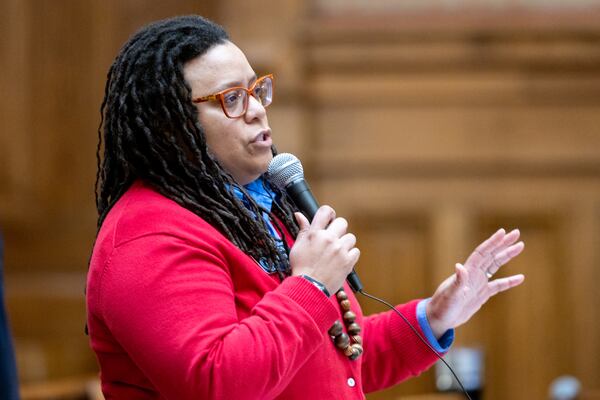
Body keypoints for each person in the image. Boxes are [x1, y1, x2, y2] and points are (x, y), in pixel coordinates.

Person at [86, 15, 525, 400]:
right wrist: (312, 284)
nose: (257, 110)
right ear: (171, 126)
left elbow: (330, 360)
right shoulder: (148, 236)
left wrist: (433, 316)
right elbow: (217, 383)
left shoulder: (253, 208)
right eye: (232, 99)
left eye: (256, 90)